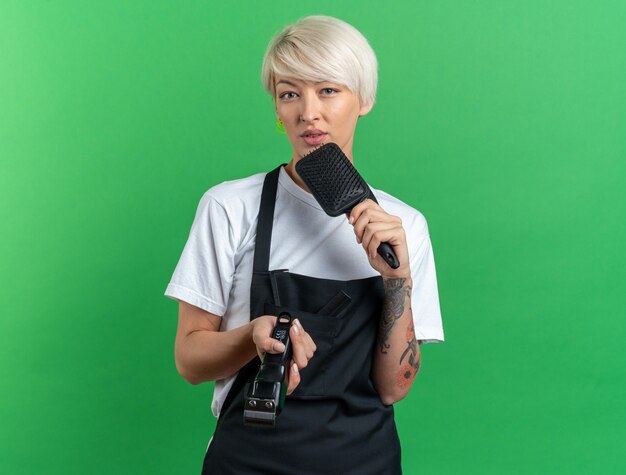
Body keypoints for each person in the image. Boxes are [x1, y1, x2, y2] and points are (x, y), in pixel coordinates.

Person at [165, 15, 444, 475]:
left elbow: (393, 387)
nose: (308, 112)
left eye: (329, 90)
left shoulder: (405, 226)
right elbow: (190, 362)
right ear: (277, 107)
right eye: (290, 93)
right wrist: (253, 334)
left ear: (365, 99)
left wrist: (397, 279)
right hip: (248, 461)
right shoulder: (230, 207)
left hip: (365, 462)